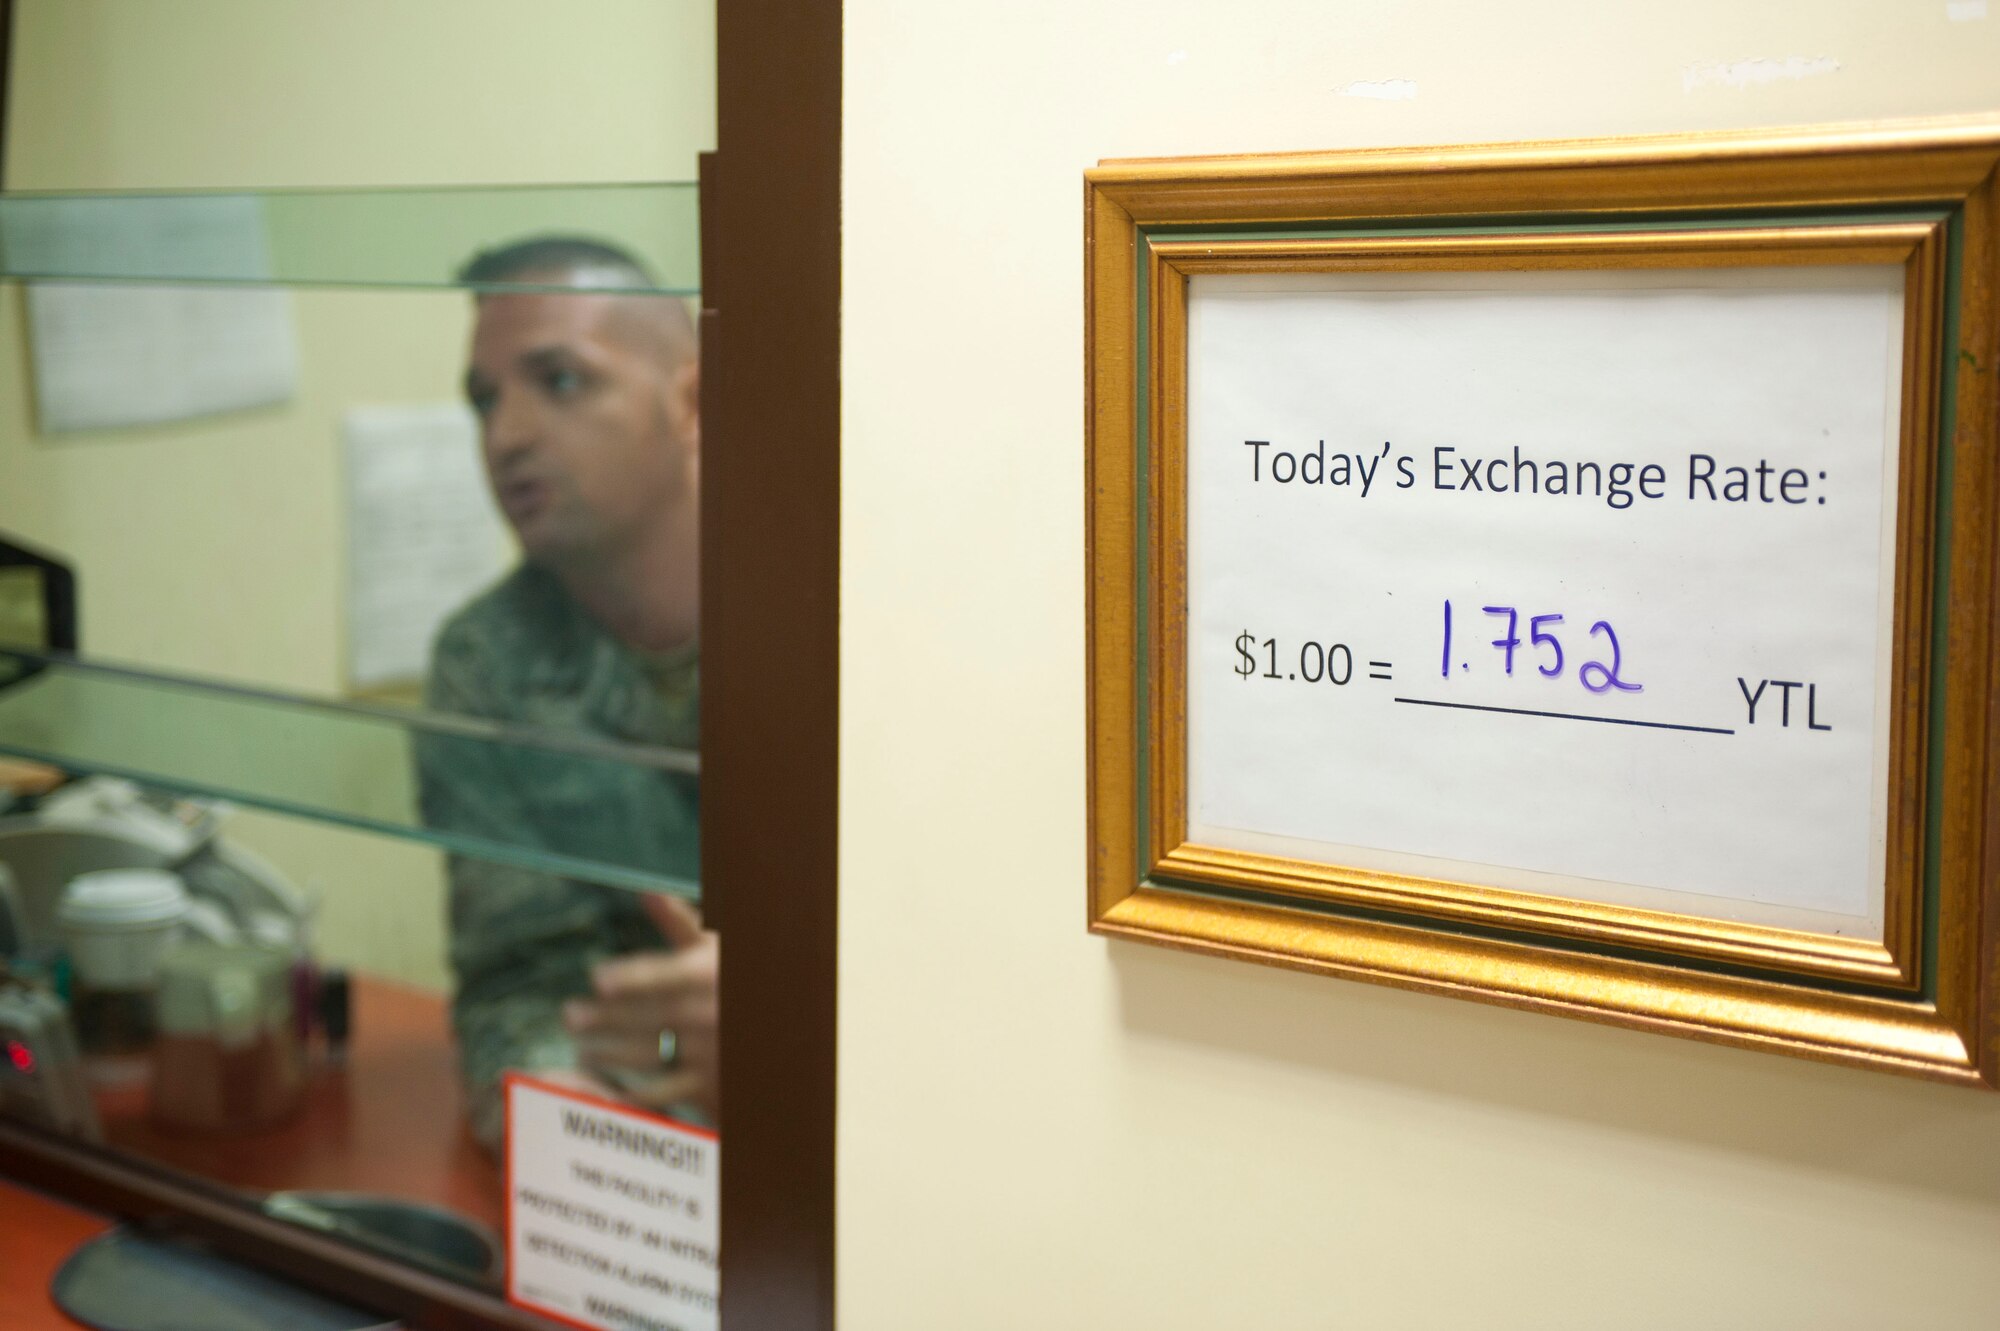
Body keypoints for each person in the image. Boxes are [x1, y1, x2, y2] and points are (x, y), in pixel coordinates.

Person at [416, 237, 716, 1149]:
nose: (505, 436)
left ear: (694, 401)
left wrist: (793, 1027)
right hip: (652, 1169)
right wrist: (619, 1165)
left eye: (561, 380)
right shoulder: (488, 663)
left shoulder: (846, 613)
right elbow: (519, 993)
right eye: (485, 398)